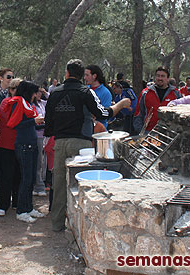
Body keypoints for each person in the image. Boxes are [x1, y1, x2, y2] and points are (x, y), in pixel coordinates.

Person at [45, 59, 131, 232]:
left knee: (59, 184)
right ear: (81, 76)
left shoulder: (55, 93)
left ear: (67, 73)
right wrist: (121, 104)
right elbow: (103, 113)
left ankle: (57, 224)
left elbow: (48, 122)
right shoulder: (86, 92)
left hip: (60, 143)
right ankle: (80, 224)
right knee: (81, 184)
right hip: (81, 144)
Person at [5, 81, 46, 223]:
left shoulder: (27, 104)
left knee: (31, 178)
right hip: (24, 145)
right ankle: (21, 210)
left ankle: (28, 207)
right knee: (26, 178)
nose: (36, 95)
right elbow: (14, 124)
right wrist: (33, 121)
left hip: (32, 143)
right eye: (35, 92)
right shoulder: (18, 103)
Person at [0, 78, 22, 216]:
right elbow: (11, 121)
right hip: (6, 145)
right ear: (10, 90)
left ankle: (16, 201)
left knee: (18, 175)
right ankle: (3, 204)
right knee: (5, 176)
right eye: (15, 88)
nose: (17, 91)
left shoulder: (25, 103)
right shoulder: (6, 103)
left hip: (19, 144)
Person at [133, 67, 181, 135]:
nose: (160, 78)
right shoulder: (146, 93)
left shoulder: (176, 93)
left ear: (167, 78)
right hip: (148, 132)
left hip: (169, 133)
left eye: (163, 76)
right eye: (158, 76)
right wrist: (140, 132)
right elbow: (138, 113)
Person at [84, 65, 112, 129]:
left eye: (87, 75)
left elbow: (106, 112)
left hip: (99, 130)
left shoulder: (105, 92)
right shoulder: (85, 90)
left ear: (94, 76)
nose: (85, 78)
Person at [32, 87, 48, 197]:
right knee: (38, 161)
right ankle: (38, 185)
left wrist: (46, 93)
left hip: (45, 136)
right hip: (37, 136)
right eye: (36, 92)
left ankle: (43, 181)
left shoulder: (43, 103)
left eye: (39, 92)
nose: (38, 94)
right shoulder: (31, 105)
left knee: (45, 162)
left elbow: (52, 100)